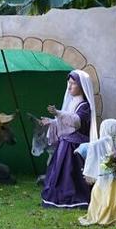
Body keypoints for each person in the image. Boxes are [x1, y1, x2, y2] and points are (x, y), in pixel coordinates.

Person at [38, 70, 97, 209]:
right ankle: (58, 197)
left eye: (73, 84)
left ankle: (74, 199)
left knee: (71, 174)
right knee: (59, 173)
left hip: (75, 148)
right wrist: (52, 122)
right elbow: (66, 122)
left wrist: (58, 113)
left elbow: (76, 122)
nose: (69, 87)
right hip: (65, 145)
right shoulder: (71, 103)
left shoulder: (84, 106)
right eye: (68, 83)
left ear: (82, 86)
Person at [78, 119, 116, 226]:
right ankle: (115, 213)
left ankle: (101, 214)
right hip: (115, 176)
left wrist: (88, 174)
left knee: (99, 195)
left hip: (102, 176)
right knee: (115, 197)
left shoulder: (97, 144)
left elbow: (91, 160)